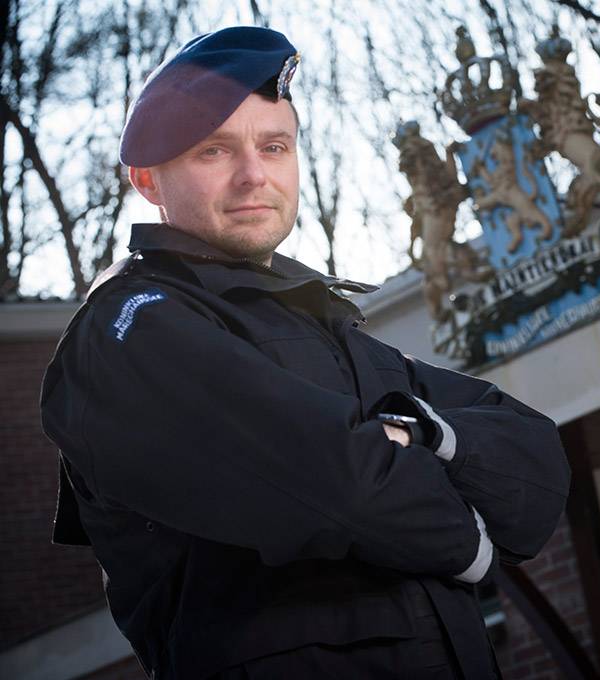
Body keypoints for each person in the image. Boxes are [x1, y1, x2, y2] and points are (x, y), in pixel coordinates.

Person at [41, 27, 570, 680]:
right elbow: (342, 487)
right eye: (214, 150)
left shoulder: (326, 326)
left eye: (274, 146)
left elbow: (536, 459)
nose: (253, 175)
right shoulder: (127, 328)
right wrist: (467, 540)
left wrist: (420, 438)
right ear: (148, 179)